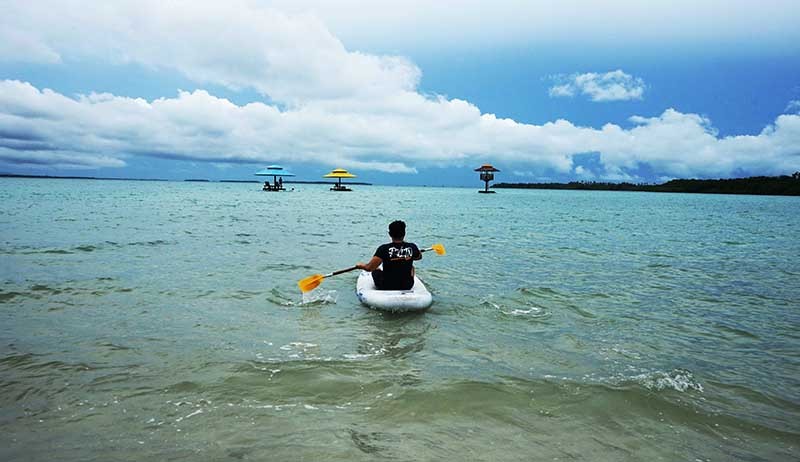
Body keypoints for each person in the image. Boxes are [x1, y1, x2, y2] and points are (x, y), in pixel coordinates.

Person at [356, 220, 422, 290]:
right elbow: (419, 257)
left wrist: (361, 266)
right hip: (407, 285)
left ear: (390, 234)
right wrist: (409, 252)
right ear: (404, 233)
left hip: (386, 285)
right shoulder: (412, 246)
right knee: (411, 267)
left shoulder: (383, 249)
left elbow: (369, 268)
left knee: (376, 270)